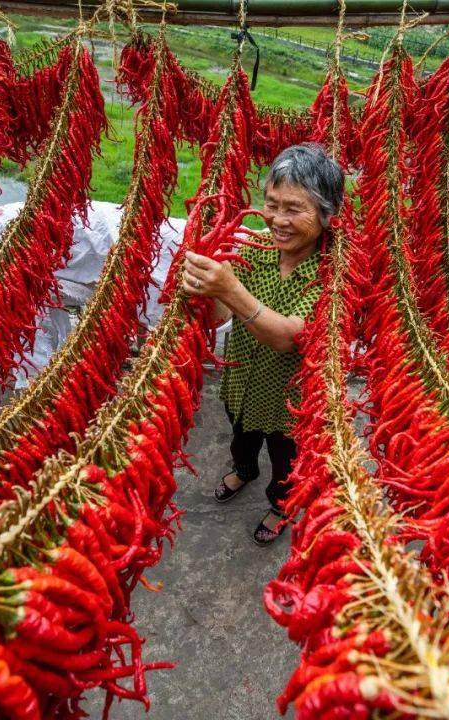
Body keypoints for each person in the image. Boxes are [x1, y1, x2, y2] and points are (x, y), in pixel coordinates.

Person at [181, 143, 343, 545]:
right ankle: (244, 470)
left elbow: (291, 337)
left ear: (326, 216)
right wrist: (205, 287)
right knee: (242, 438)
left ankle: (279, 506)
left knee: (287, 463)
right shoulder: (255, 248)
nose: (278, 220)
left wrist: (231, 288)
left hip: (291, 403)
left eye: (294, 209)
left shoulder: (334, 275)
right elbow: (221, 316)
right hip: (242, 383)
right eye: (272, 205)